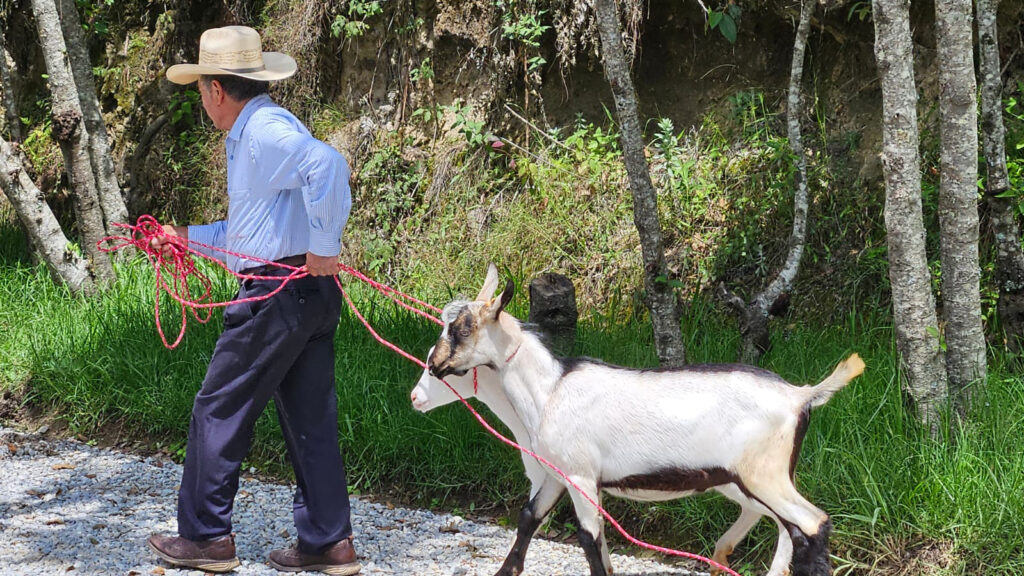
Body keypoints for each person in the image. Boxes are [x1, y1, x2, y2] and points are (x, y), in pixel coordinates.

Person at [145, 26, 360, 575]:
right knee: (310, 416)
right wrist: (183, 238)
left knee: (217, 407)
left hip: (275, 295)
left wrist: (324, 247)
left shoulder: (262, 131)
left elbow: (329, 166)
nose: (202, 100)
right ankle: (329, 543)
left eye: (201, 89)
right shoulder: (256, 135)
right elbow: (250, 235)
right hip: (304, 294)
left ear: (217, 89)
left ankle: (205, 536)